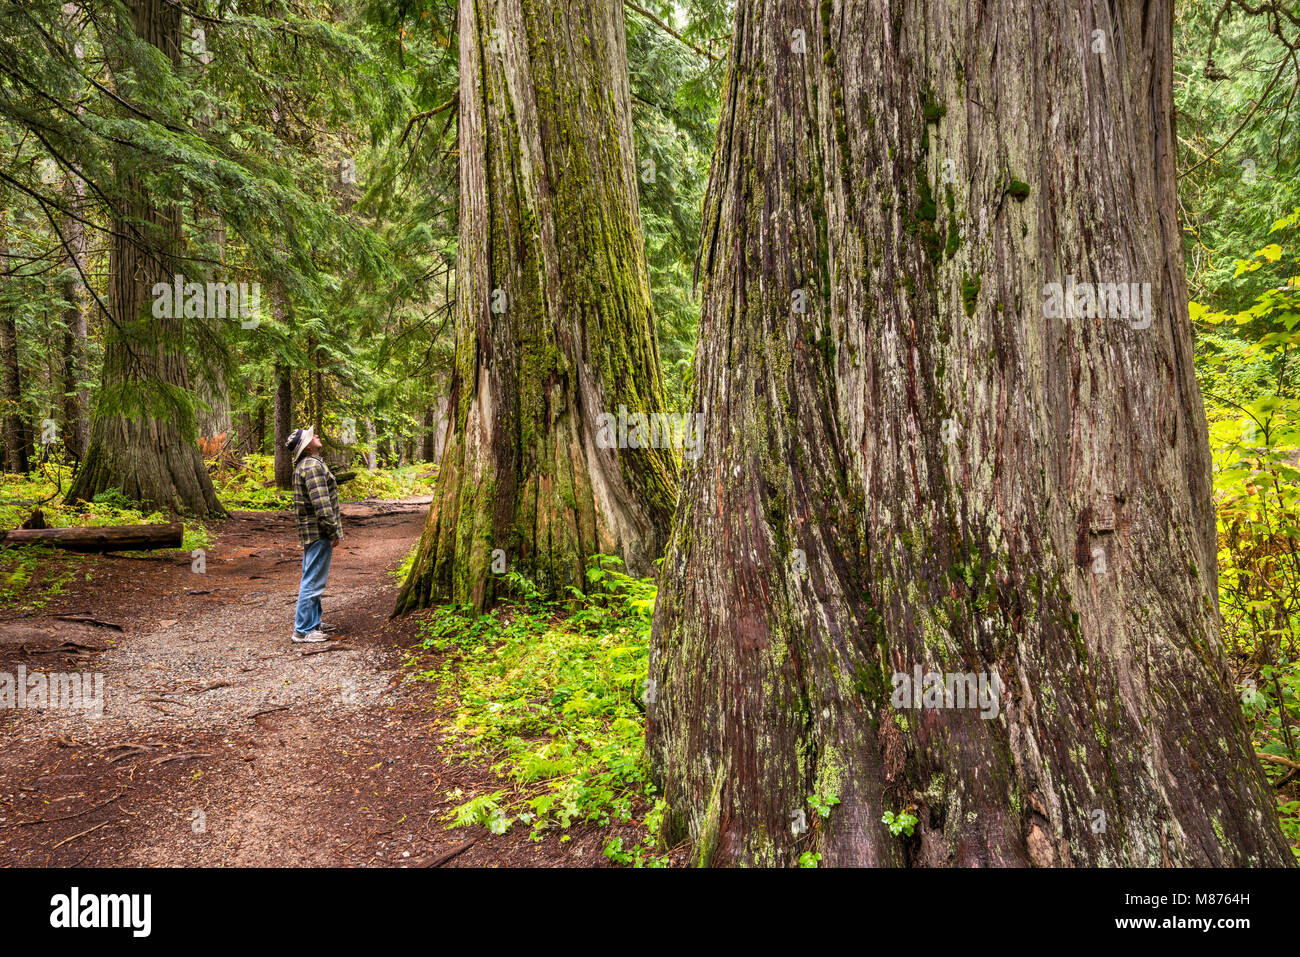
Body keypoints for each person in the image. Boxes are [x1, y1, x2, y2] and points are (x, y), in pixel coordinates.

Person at [286, 426, 342, 642]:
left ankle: (313, 622)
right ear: (307, 446)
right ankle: (303, 630)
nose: (316, 435)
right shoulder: (311, 466)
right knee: (313, 579)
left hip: (313, 531)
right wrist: (333, 530)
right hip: (318, 531)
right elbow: (321, 504)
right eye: (312, 436)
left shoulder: (309, 464)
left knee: (313, 575)